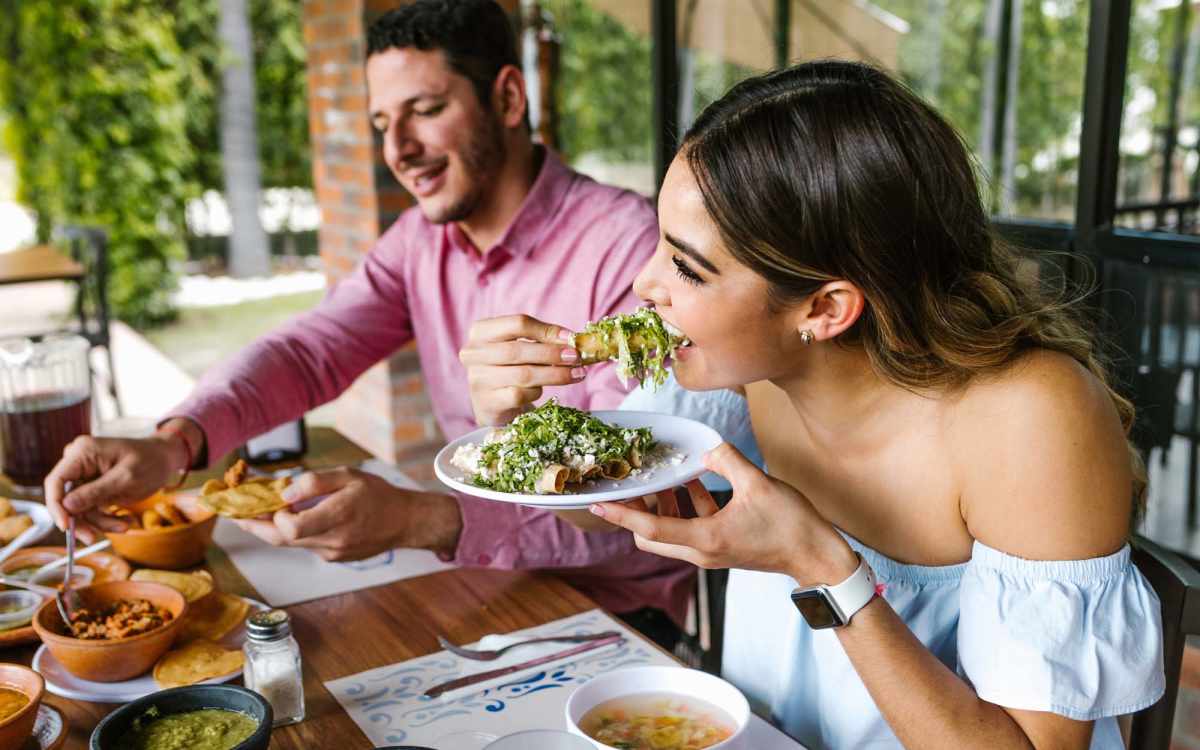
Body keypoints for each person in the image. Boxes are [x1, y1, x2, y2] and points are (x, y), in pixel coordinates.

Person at [514, 61, 1166, 748]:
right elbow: (600, 514)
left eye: (687, 266)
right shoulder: (744, 369)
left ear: (825, 308)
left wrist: (823, 567)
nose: (645, 284)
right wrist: (518, 423)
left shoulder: (1031, 418)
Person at [42, 0, 692, 643]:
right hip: (479, 586)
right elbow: (311, 350)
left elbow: (632, 511)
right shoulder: (417, 242)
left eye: (426, 111)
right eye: (382, 123)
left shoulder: (629, 250)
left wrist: (422, 520)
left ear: (509, 99)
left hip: (617, 619)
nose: (398, 150)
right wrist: (175, 442)